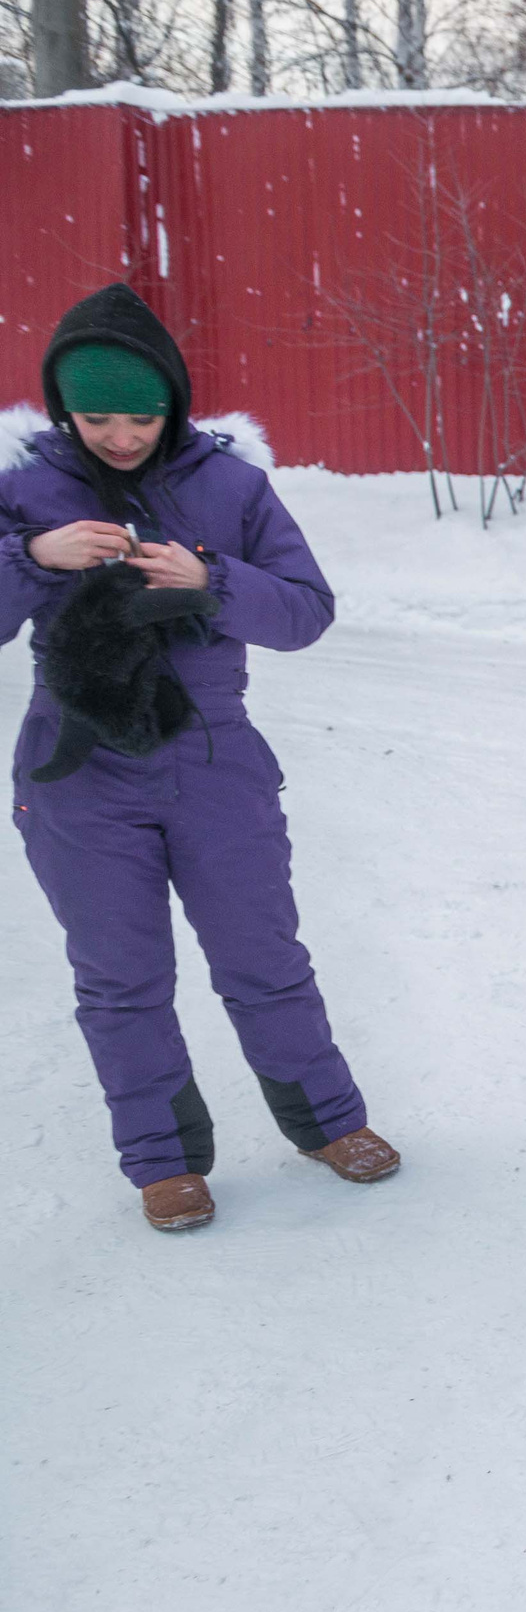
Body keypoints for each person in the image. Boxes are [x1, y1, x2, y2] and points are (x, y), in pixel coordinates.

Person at [2, 282, 398, 1233]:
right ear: (64, 408)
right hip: (78, 762)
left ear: (172, 402)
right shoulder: (21, 487)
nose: (122, 437)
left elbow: (306, 611)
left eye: (140, 415)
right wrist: (33, 557)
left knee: (263, 952)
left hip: (213, 754)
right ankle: (162, 1160)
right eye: (97, 417)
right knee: (119, 970)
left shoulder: (230, 484)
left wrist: (210, 579)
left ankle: (328, 1122)